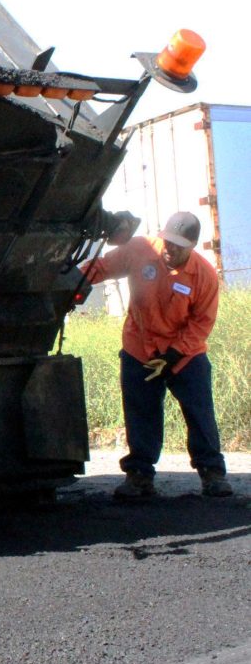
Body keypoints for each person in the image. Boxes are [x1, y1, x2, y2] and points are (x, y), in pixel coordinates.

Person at [81, 211, 233, 500]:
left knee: (199, 412)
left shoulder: (204, 276)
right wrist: (71, 282)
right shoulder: (141, 250)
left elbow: (202, 323)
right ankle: (139, 477)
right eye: (167, 241)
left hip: (184, 355)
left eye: (178, 245)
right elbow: (102, 267)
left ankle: (212, 474)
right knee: (140, 412)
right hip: (140, 348)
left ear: (192, 246)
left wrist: (175, 355)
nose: (170, 249)